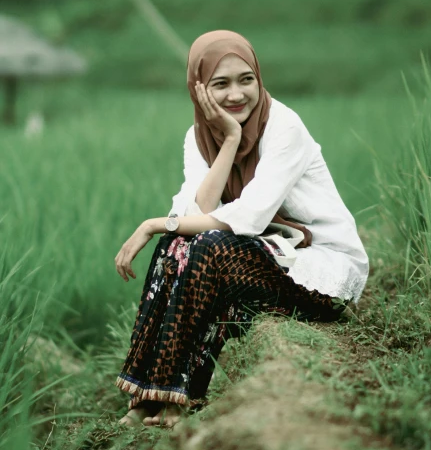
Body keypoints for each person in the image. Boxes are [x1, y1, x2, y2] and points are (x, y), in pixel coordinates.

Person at [114, 30, 369, 427]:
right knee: (177, 246)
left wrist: (152, 223)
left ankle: (181, 396)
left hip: (321, 276)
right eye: (221, 84)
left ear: (259, 78)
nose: (236, 95)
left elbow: (247, 218)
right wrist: (230, 141)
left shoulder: (284, 127)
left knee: (206, 245)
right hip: (269, 261)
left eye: (246, 79)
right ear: (199, 90)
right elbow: (201, 207)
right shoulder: (198, 137)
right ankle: (148, 394)